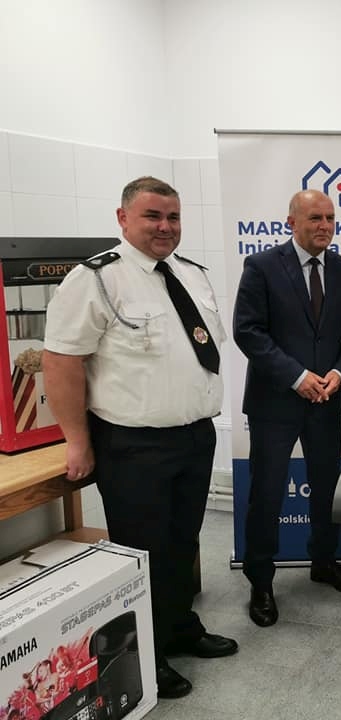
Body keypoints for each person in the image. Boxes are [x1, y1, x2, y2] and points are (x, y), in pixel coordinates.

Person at [42, 176, 238, 700]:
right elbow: (61, 362)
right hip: (134, 445)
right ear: (123, 218)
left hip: (194, 436)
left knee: (182, 543)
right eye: (153, 216)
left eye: (173, 217)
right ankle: (147, 654)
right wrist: (77, 441)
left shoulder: (191, 274)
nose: (165, 227)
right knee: (144, 551)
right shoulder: (96, 280)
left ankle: (179, 626)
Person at [234, 189, 341, 628]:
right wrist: (296, 376)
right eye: (314, 218)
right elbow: (248, 331)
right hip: (275, 401)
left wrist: (339, 374)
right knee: (267, 493)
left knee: (327, 488)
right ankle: (261, 581)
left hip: (326, 400)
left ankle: (323, 562)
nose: (324, 226)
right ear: (291, 221)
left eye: (330, 218)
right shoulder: (261, 266)